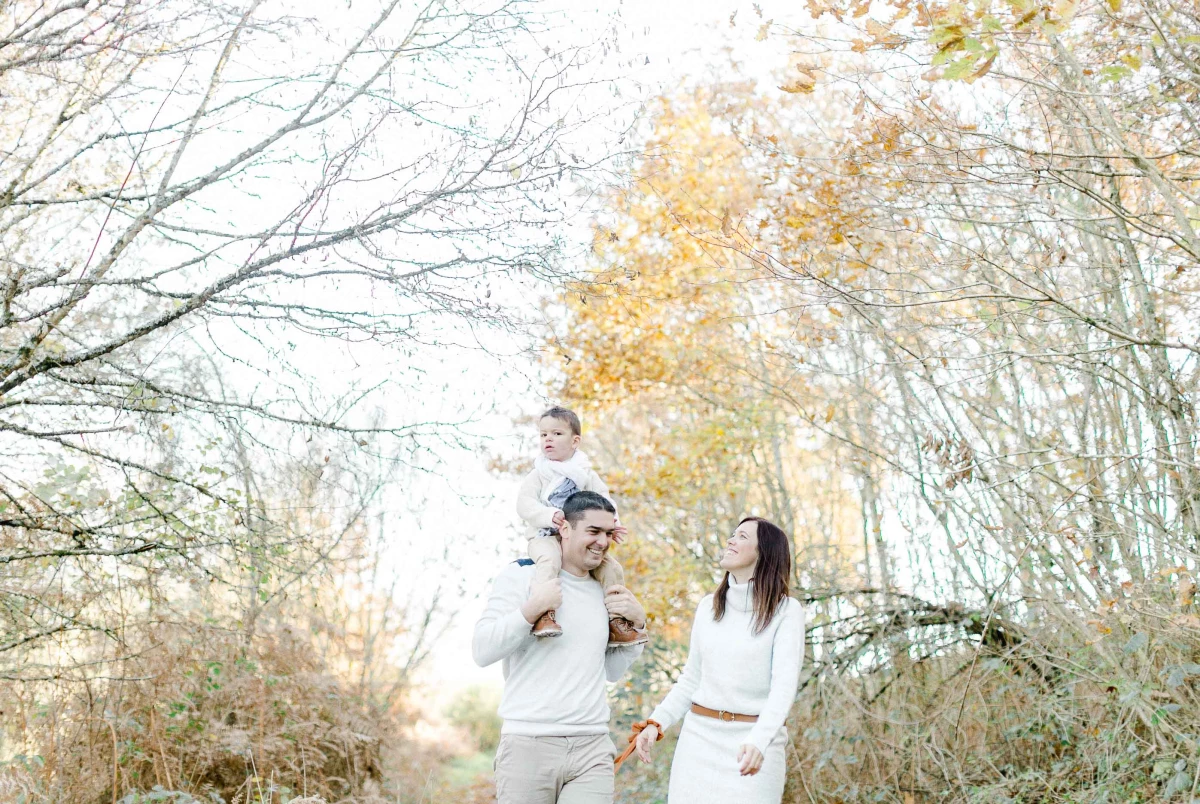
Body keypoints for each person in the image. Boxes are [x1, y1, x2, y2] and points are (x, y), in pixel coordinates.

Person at [474, 490, 648, 804]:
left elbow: (611, 671)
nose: (603, 542)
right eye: (593, 532)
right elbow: (482, 650)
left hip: (591, 746)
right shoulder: (522, 576)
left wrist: (637, 627)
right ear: (564, 529)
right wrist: (532, 609)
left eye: (608, 533)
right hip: (529, 744)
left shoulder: (605, 589)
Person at [633, 516, 805, 803]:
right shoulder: (708, 607)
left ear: (765, 552)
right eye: (732, 535)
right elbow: (691, 678)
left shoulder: (786, 611)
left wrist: (759, 740)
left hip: (754, 746)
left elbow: (783, 688)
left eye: (741, 537)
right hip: (698, 743)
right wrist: (656, 722)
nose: (730, 541)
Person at [516, 405, 646, 645]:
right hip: (545, 537)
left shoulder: (584, 473)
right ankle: (544, 614)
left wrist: (613, 523)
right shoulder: (539, 474)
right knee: (549, 562)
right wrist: (548, 515)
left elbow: (604, 499)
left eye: (556, 434)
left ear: (575, 441)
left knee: (613, 569)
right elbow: (524, 504)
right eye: (543, 435)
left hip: (576, 541)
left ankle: (617, 622)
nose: (548, 439)